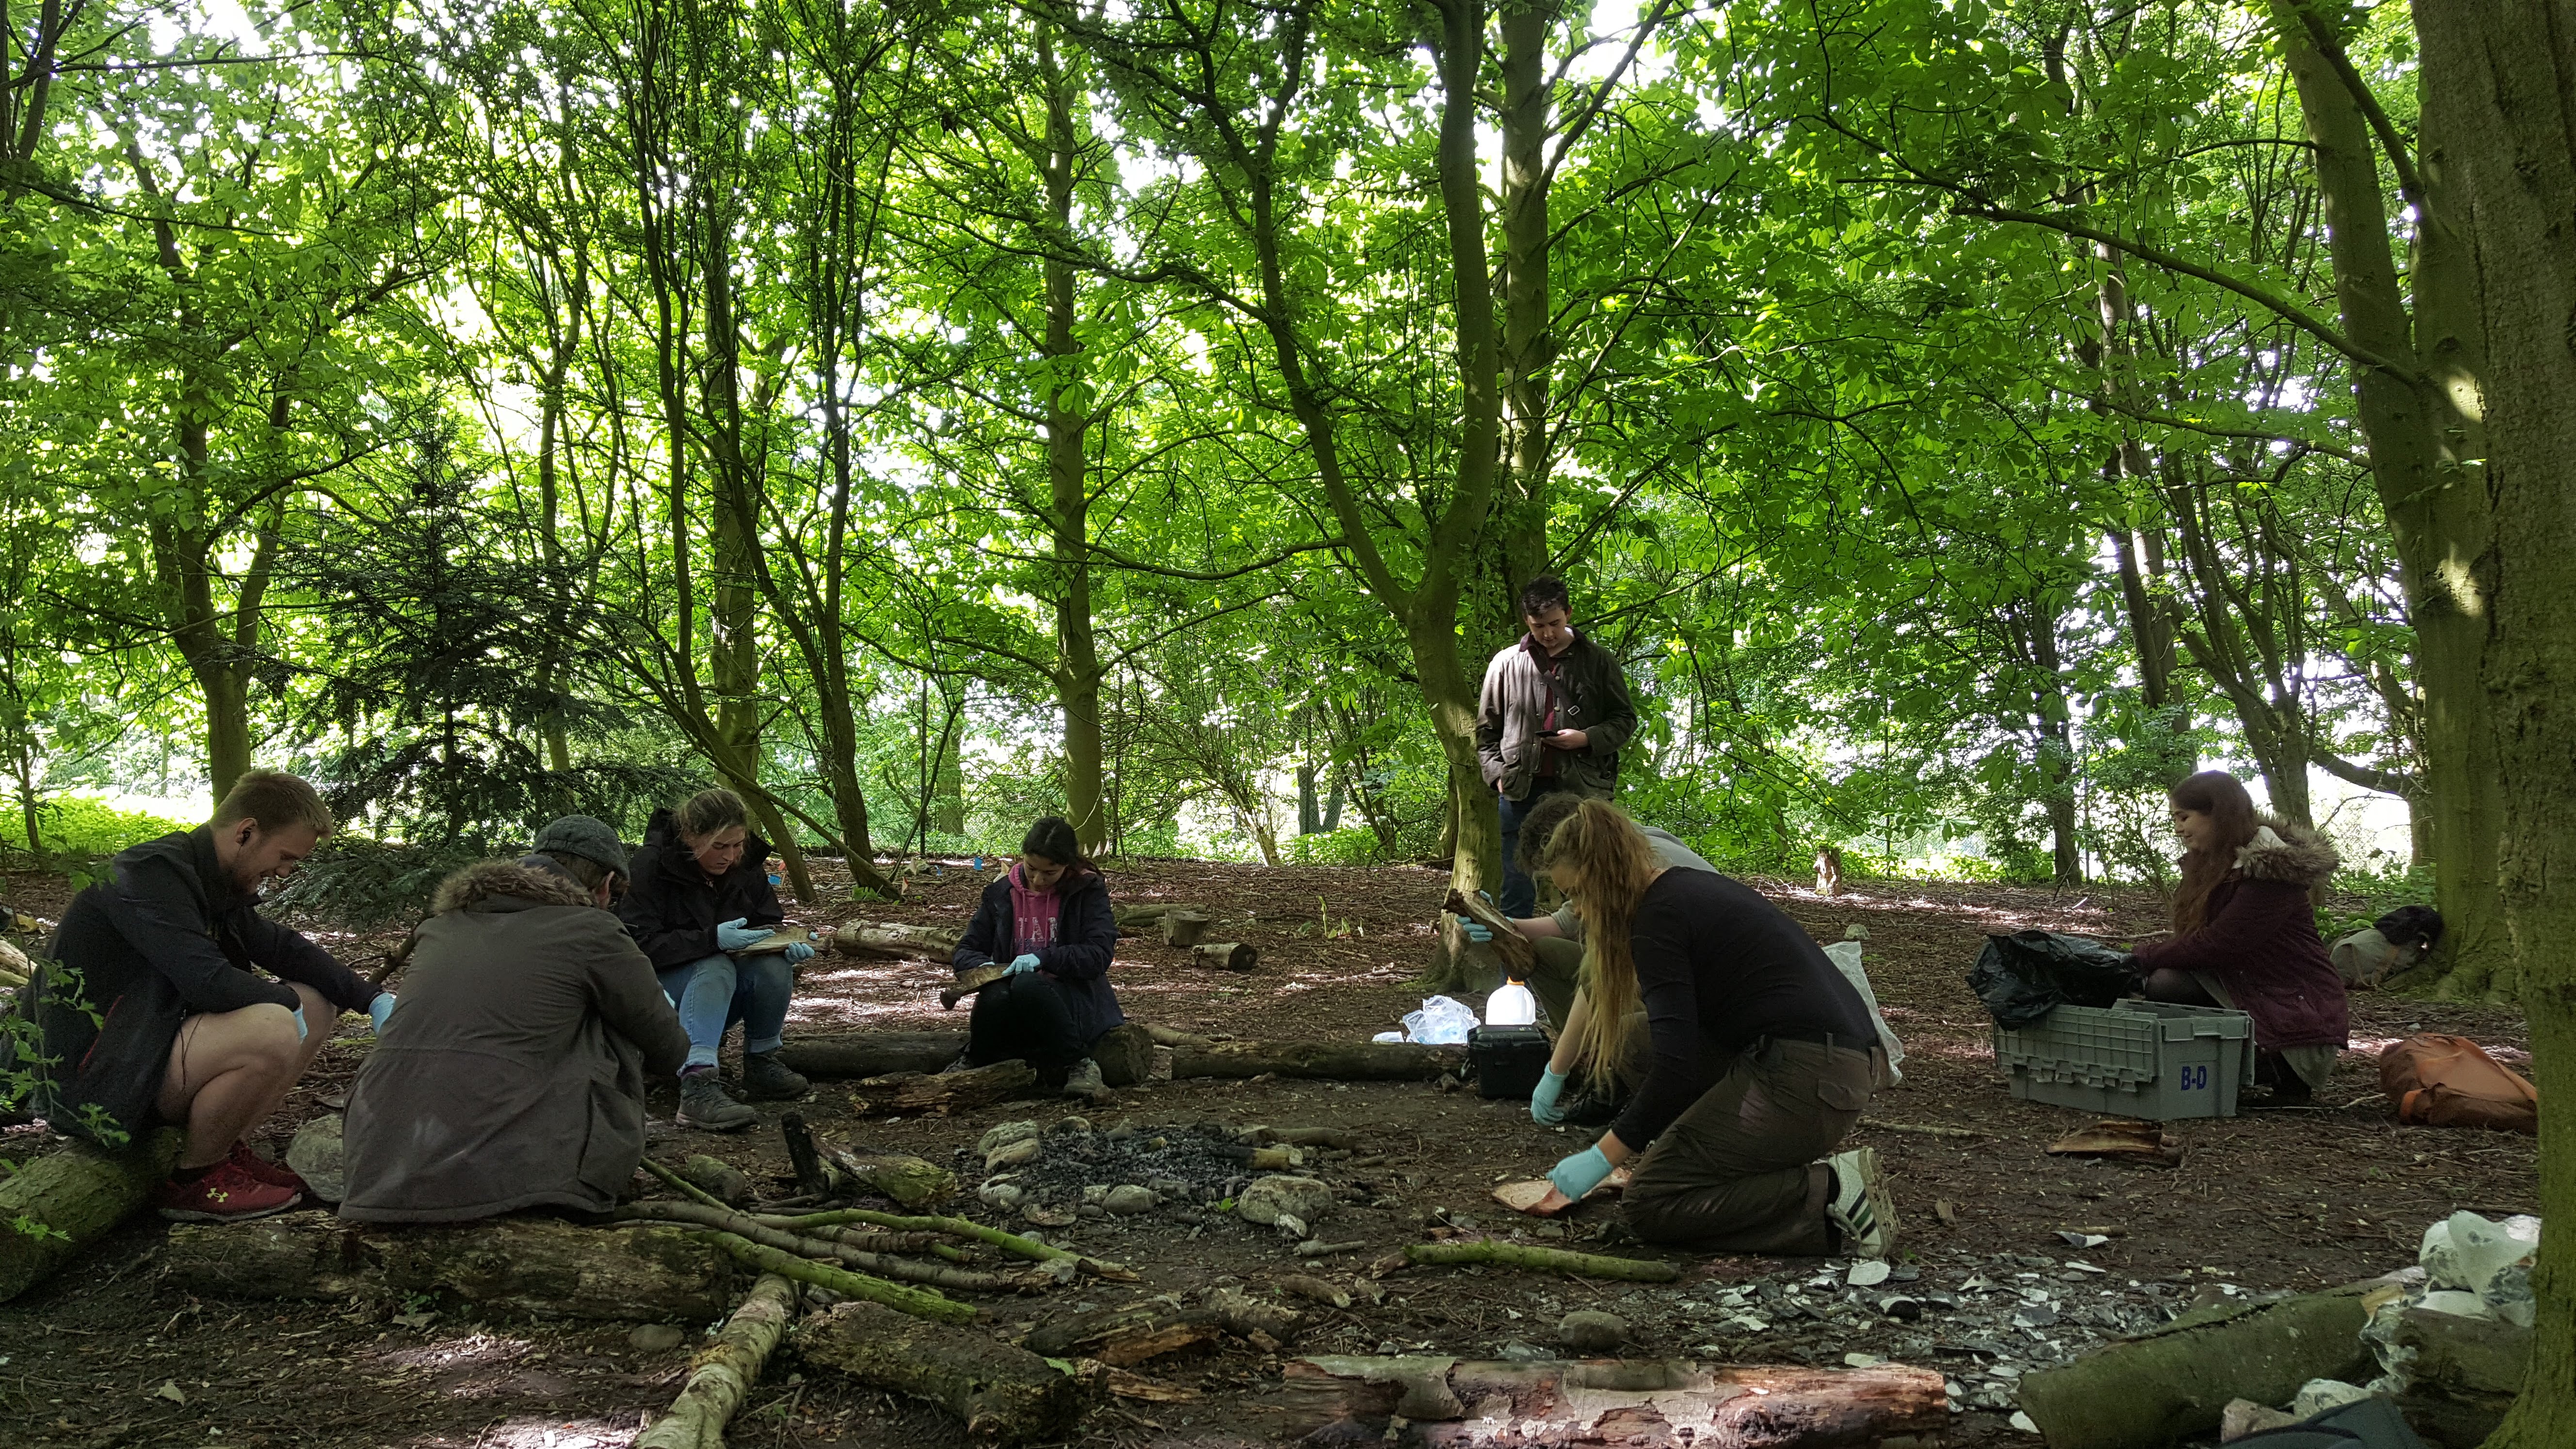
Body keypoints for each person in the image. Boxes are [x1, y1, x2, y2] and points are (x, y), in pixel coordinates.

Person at [1519, 801, 1897, 1258]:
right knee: (1635, 1040)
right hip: (1820, 1064)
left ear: (1604, 876)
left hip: (1813, 1078)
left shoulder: (1658, 920)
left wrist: (1601, 1157)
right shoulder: (1679, 891)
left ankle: (1830, 1192)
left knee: (1652, 1203)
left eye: (1577, 893)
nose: (1575, 911)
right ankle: (1709, 1156)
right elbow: (1666, 1039)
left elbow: (1676, 1067)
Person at [32, 771, 388, 1221]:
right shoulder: (149, 874)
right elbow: (208, 982)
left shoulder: (210, 878)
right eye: (285, 857)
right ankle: (194, 1178)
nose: (283, 872)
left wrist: (371, 998)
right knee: (273, 1024)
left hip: (139, 1052)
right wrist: (285, 1006)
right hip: (93, 1079)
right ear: (246, 832)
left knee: (315, 1003)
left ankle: (223, 1147)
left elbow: (282, 948)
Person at [339, 817, 690, 1221]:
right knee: (612, 1021)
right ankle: (576, 1176)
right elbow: (669, 1048)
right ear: (606, 884)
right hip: (508, 1179)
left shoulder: (442, 927)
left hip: (378, 1170)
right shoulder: (593, 929)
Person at [2134, 771, 2348, 1103]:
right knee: (2160, 984)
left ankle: (2277, 1074)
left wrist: (2141, 957)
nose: (2178, 828)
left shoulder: (2270, 875)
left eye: (2184, 817)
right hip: (2248, 991)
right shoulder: (2215, 866)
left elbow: (2219, 944)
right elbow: (2199, 943)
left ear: (2217, 814)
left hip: (2293, 1020)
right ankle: (2212, 1066)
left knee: (2164, 982)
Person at [616, 788, 817, 1131]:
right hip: (660, 998)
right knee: (715, 965)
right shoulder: (651, 866)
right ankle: (698, 1085)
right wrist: (712, 939)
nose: (731, 856)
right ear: (691, 837)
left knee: (772, 967)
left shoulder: (746, 864)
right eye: (719, 847)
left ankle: (761, 1062)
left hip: (717, 993)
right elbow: (635, 946)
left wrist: (783, 943)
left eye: (737, 845)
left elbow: (763, 921)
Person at [1476, 574, 1638, 918]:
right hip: (1520, 788)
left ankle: (1589, 963)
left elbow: (1625, 721)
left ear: (1569, 614)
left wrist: (1587, 738)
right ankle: (1514, 971)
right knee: (1516, 885)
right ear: (1526, 622)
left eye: (1555, 623)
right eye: (1538, 626)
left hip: (1582, 789)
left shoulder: (1598, 661)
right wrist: (1497, 776)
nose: (1547, 633)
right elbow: (1487, 731)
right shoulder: (1505, 664)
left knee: (1589, 880)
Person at [951, 817, 1123, 1100]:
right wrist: (980, 967)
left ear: (1067, 866)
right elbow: (967, 948)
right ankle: (976, 1060)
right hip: (1013, 1005)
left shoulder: (1087, 891)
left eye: (1050, 873)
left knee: (1027, 985)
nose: (1039, 880)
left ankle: (1079, 1063)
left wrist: (1043, 958)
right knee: (995, 990)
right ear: (1022, 858)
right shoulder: (1000, 893)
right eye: (1032, 869)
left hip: (1072, 1001)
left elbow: (1099, 954)